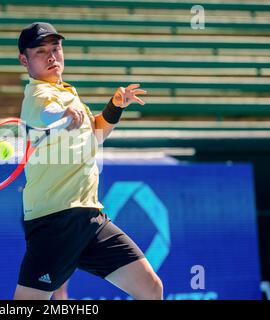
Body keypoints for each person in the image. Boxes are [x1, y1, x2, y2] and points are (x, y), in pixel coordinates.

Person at [15, 22, 162, 300]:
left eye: (56, 49)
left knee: (151, 289)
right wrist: (64, 113)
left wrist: (115, 107)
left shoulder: (69, 92)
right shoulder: (37, 95)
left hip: (91, 218)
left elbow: (94, 135)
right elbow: (48, 113)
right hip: (53, 222)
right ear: (24, 59)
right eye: (41, 51)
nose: (51, 57)